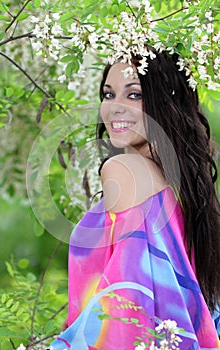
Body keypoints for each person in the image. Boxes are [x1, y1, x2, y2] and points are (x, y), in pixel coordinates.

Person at [49, 48, 220, 349]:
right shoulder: (187, 189)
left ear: (164, 101)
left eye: (134, 95)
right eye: (108, 94)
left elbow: (127, 302)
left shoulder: (122, 170)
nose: (115, 107)